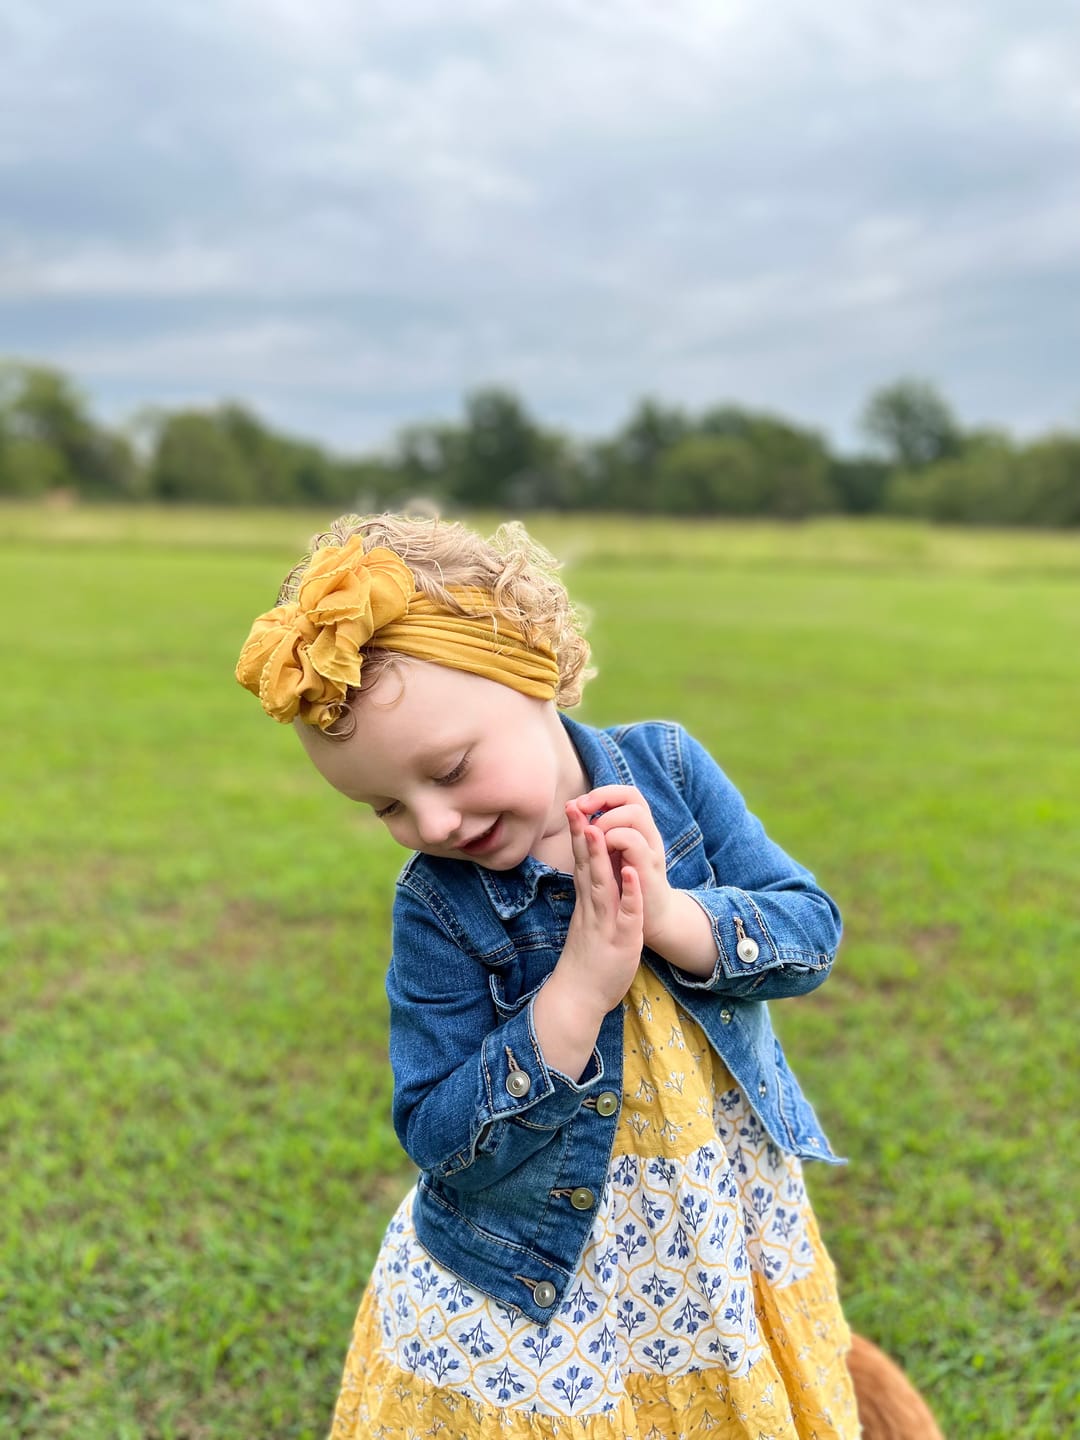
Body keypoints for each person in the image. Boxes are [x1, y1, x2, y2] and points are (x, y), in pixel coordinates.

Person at [235, 512, 859, 1439]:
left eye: (450, 769)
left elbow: (810, 933)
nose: (435, 824)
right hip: (536, 1264)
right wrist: (574, 992)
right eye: (386, 808)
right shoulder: (439, 905)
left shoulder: (671, 772)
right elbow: (440, 1136)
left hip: (705, 1217)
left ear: (528, 670)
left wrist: (674, 916)